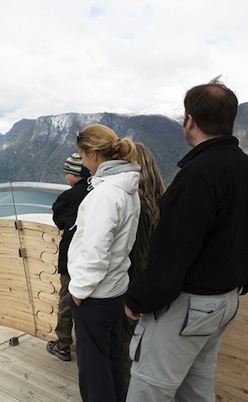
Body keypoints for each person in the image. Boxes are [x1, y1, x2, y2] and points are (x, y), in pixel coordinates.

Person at [125, 78, 248, 401]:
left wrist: (138, 301)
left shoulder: (197, 174)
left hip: (187, 306)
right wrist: (243, 282)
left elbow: (171, 253)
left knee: (150, 389)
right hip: (226, 301)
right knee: (196, 386)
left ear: (190, 120)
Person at [67, 124, 141, 402]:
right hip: (115, 289)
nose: (83, 163)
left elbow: (96, 250)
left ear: (94, 154)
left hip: (94, 296)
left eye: (82, 156)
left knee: (92, 368)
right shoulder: (128, 189)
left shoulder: (104, 195)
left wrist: (78, 292)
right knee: (112, 359)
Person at [120, 143, 165, 391]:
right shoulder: (162, 200)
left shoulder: (135, 205)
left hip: (134, 293)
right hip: (155, 290)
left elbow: (135, 259)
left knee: (128, 353)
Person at [46, 153, 91, 362]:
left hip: (71, 259)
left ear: (77, 175)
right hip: (93, 261)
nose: (65, 176)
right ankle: (87, 348)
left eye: (68, 172)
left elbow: (59, 219)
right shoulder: (99, 192)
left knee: (67, 302)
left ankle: (63, 345)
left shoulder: (68, 197)